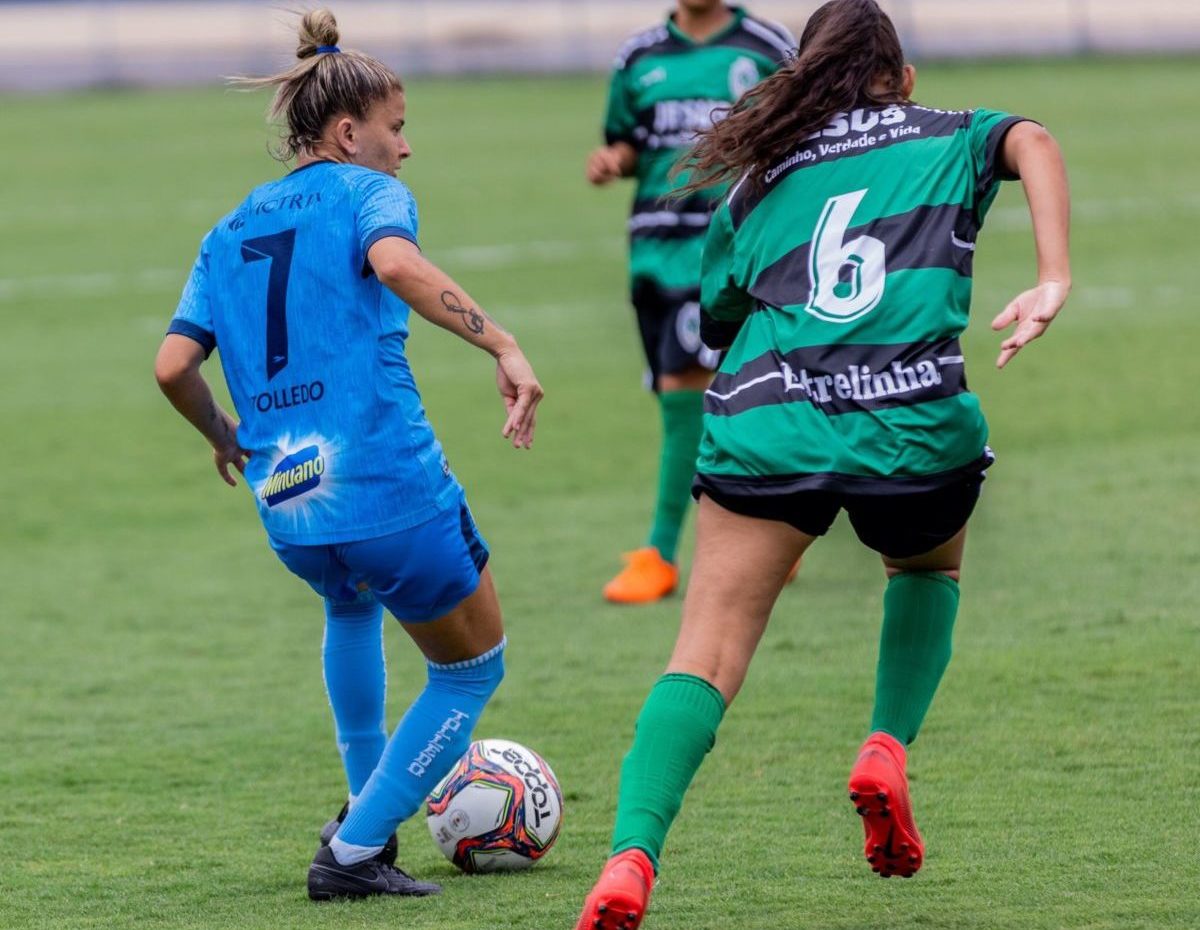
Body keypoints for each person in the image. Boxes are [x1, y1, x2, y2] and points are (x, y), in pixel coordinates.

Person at [575, 0, 1070, 925]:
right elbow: (1033, 138)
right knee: (926, 565)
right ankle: (885, 742)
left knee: (708, 650)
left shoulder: (758, 180)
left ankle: (631, 857)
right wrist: (1051, 274)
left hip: (771, 428)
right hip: (914, 425)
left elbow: (717, 315)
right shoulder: (949, 133)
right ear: (905, 78)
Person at [154, 10, 543, 901]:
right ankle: (358, 846)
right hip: (385, 487)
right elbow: (400, 266)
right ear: (346, 132)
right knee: (473, 667)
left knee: (350, 608)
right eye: (396, 128)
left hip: (291, 502)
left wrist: (224, 436)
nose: (404, 149)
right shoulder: (370, 195)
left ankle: (368, 817)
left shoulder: (229, 227)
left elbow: (173, 365)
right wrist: (504, 344)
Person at [587, 0, 795, 604]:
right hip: (654, 250)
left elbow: (800, 136)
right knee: (717, 395)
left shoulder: (765, 47)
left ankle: (660, 554)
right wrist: (612, 161)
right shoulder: (640, 55)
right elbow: (627, 141)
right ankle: (778, 528)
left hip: (729, 247)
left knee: (687, 395)